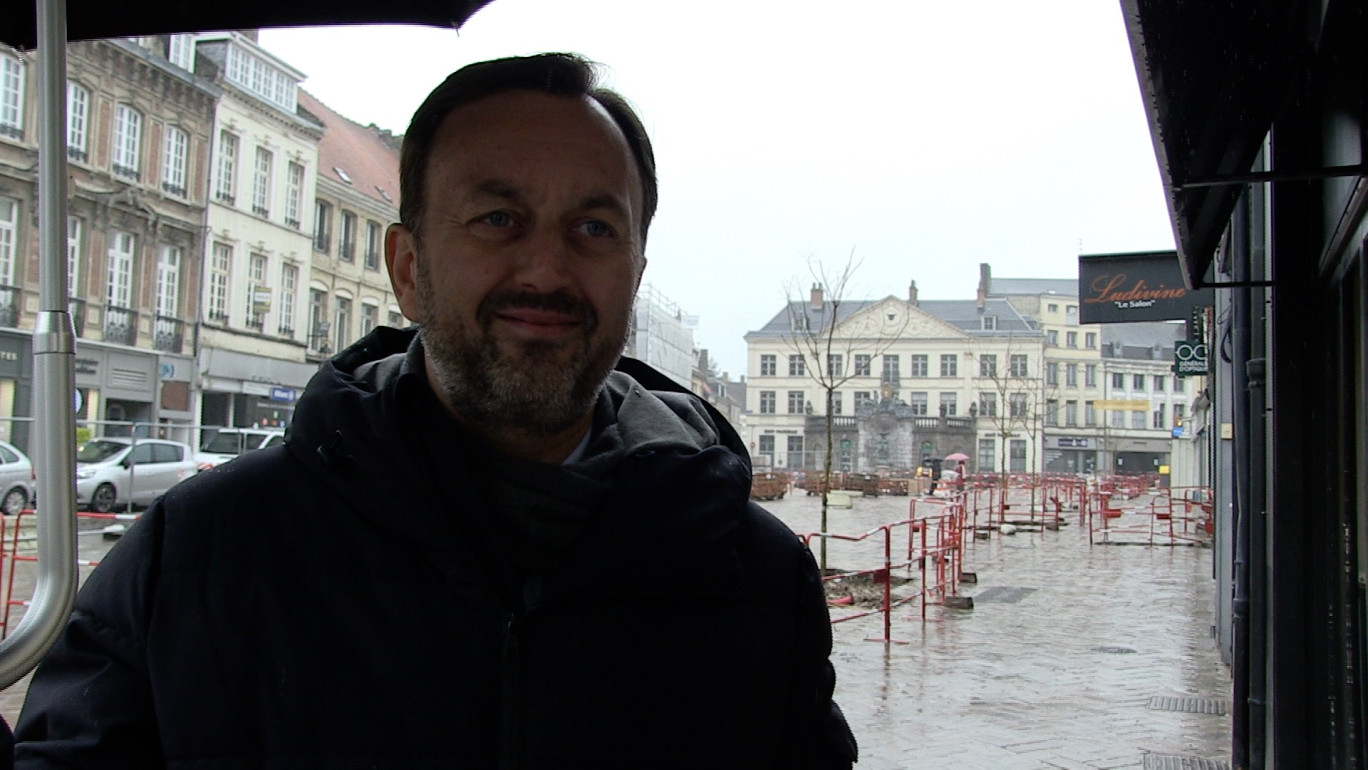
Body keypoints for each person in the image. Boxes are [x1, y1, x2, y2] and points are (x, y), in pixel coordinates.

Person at [13, 54, 858, 767]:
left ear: (635, 272)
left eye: (594, 229)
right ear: (408, 268)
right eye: (498, 218)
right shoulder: (200, 560)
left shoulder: (757, 583)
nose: (546, 270)